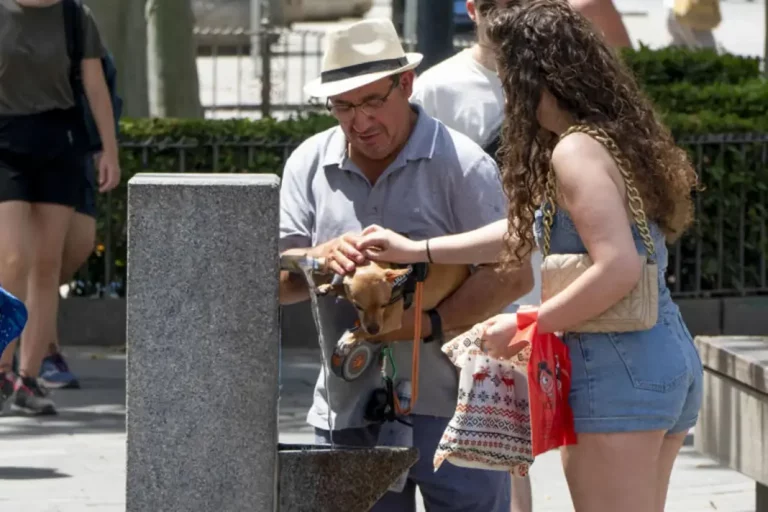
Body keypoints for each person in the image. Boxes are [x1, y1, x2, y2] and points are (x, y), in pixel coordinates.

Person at [356, 2, 702, 512]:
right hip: (661, 354)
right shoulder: (611, 137)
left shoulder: (575, 151)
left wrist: (527, 325)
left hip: (616, 367)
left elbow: (620, 265)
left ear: (532, 74)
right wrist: (417, 249)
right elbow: (525, 233)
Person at [279, 18, 534, 512]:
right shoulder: (308, 163)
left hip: (458, 408)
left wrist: (429, 324)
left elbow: (513, 273)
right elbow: (280, 280)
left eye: (374, 101)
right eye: (344, 106)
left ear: (407, 85)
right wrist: (319, 258)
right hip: (348, 408)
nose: (360, 121)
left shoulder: (461, 164)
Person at [410, 1, 537, 510]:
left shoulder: (555, 81)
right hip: (477, 294)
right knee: (497, 443)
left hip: (549, 285)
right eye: (493, 3)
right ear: (472, 9)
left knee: (524, 443)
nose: (505, 13)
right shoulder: (437, 87)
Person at [0, 0, 120, 415]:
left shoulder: (75, 15)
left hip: (59, 140)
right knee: (13, 256)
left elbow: (94, 84)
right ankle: (0, 367)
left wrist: (108, 148)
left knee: (47, 264)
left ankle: (27, 378)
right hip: (4, 139)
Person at [38, 157, 99, 390]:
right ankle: (45, 353)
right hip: (14, 138)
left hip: (71, 144)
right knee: (32, 261)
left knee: (80, 242)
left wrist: (105, 146)